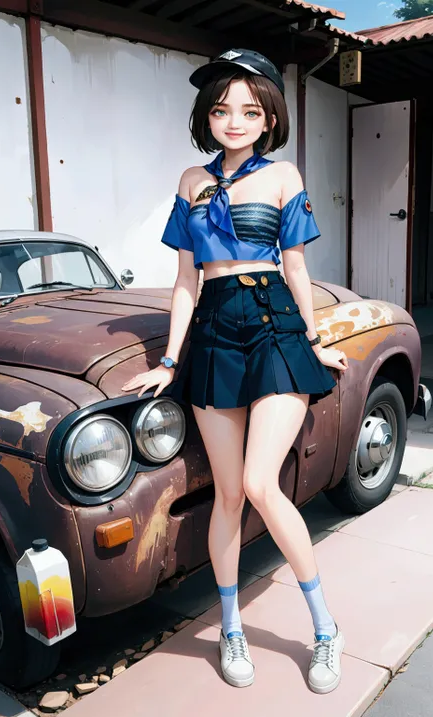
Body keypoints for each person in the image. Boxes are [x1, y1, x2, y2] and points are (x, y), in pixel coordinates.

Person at [122, 48, 349, 693]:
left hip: (275, 325)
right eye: (222, 109)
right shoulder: (190, 181)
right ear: (207, 116)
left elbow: (297, 267)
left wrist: (313, 339)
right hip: (216, 330)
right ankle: (231, 627)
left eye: (249, 110)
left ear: (269, 116)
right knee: (227, 494)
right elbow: (185, 281)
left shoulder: (283, 177)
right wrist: (170, 360)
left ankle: (325, 629)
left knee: (258, 483)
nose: (234, 120)